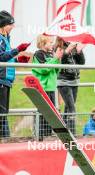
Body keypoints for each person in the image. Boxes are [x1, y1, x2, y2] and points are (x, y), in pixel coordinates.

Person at [0, 10, 31, 138]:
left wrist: (18, 60)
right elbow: (1, 57)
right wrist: (17, 50)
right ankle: (5, 140)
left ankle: (6, 140)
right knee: (1, 113)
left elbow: (7, 58)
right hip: (1, 80)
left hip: (6, 80)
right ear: (3, 25)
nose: (13, 27)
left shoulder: (5, 38)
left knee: (3, 112)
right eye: (10, 24)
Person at [32, 34, 63, 140]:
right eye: (50, 42)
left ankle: (48, 134)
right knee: (42, 111)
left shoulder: (51, 54)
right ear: (43, 43)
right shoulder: (38, 54)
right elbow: (44, 69)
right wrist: (54, 59)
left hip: (51, 87)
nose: (52, 44)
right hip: (42, 88)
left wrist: (57, 59)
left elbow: (55, 70)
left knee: (51, 112)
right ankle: (39, 134)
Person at [55, 37, 86, 135]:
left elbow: (81, 62)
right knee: (72, 108)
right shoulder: (57, 47)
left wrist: (79, 51)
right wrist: (67, 51)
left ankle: (63, 132)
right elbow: (60, 62)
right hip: (64, 81)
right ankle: (73, 133)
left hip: (74, 81)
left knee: (68, 108)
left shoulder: (72, 46)